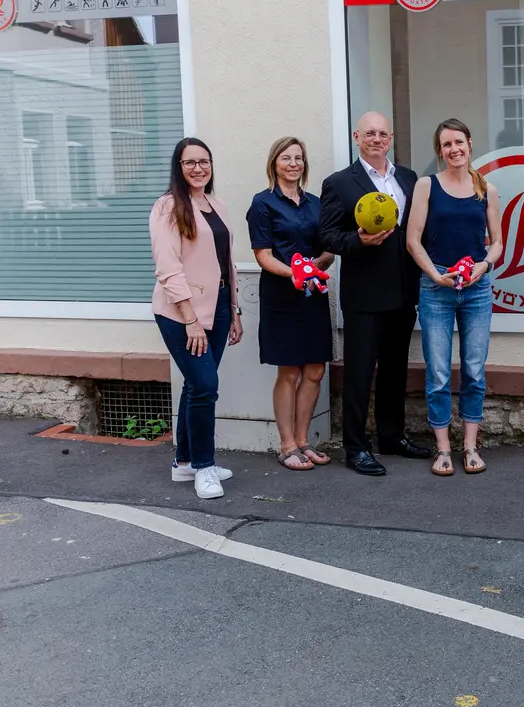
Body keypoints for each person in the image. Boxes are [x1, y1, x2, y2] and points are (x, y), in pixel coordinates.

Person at [318, 112, 432, 476]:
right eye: (370, 133)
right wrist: (359, 240)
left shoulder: (409, 178)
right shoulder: (339, 183)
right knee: (359, 373)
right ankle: (355, 447)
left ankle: (391, 436)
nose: (377, 139)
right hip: (364, 295)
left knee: (395, 371)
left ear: (391, 137)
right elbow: (327, 236)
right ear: (356, 137)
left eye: (383, 133)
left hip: (403, 291)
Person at [405, 119, 504, 477]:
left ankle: (471, 447)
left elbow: (497, 242)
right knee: (439, 373)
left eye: (458, 142)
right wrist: (433, 274)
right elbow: (413, 239)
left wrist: (484, 265)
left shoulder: (486, 190)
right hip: (437, 288)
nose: (454, 149)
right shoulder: (426, 186)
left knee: (475, 371)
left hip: (476, 289)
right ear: (440, 151)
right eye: (446, 144)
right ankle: (443, 449)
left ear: (470, 143)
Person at [150, 137, 243, 500]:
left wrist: (234, 312)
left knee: (195, 385)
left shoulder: (215, 204)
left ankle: (184, 462)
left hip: (219, 307)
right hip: (180, 312)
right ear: (179, 166)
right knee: (205, 385)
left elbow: (226, 263)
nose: (198, 168)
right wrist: (190, 320)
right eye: (190, 162)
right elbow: (168, 268)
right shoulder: (167, 207)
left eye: (204, 161)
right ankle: (204, 466)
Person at [247, 136, 334, 472]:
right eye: (286, 158)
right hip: (282, 297)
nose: (293, 163)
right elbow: (263, 255)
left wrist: (315, 266)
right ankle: (286, 446)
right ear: (274, 163)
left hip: (313, 296)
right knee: (289, 371)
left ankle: (303, 441)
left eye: (299, 158)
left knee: (315, 370)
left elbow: (328, 248)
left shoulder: (315, 203)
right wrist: (295, 272)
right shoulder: (263, 203)